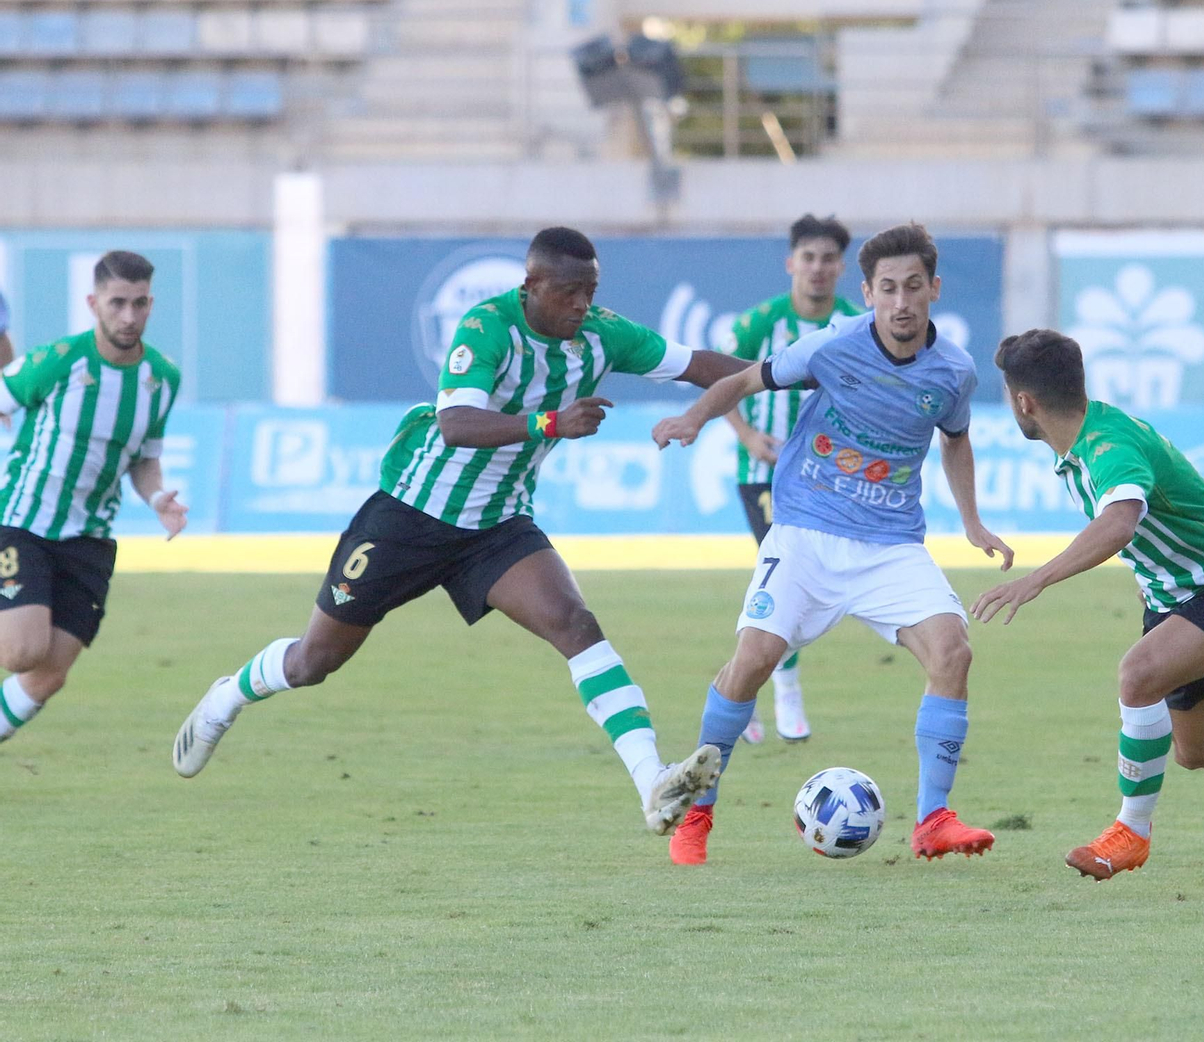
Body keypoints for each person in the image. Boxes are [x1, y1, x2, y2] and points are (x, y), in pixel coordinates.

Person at [172, 227, 751, 837]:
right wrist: (551, 420)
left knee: (575, 625)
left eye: (590, 291)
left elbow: (701, 365)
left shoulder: (605, 335)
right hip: (410, 517)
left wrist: (791, 372)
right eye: (568, 292)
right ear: (531, 286)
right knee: (314, 661)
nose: (581, 305)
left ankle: (651, 782)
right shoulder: (487, 327)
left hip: (496, 526)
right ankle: (226, 697)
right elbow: (455, 424)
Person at [652, 223, 1014, 866]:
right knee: (752, 662)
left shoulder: (954, 370)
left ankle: (933, 819)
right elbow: (742, 381)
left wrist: (972, 521)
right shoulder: (832, 346)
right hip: (806, 533)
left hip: (890, 544)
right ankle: (697, 815)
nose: (901, 302)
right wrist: (693, 418)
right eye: (886, 289)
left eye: (912, 287)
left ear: (934, 288)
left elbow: (956, 439)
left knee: (952, 651)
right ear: (868, 293)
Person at [972, 329, 1204, 881]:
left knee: (1137, 675)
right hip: (1173, 599)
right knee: (1198, 750)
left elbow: (1119, 523)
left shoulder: (1108, 447)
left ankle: (1131, 833)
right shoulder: (1088, 437)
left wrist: (1036, 581)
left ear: (1024, 402)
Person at [0, 251, 187, 746]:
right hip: (23, 522)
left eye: (140, 303)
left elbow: (144, 459)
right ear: (93, 302)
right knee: (22, 652)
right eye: (118, 303)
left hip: (91, 541)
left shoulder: (162, 378)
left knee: (47, 676)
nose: (129, 316)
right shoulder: (59, 360)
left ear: (152, 303)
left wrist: (157, 499)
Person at [722, 214, 863, 745]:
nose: (818, 268)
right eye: (809, 258)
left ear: (841, 268)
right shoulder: (761, 322)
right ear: (791, 264)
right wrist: (747, 436)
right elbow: (721, 383)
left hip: (825, 480)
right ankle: (783, 690)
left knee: (797, 586)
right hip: (763, 475)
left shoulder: (855, 321)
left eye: (828, 259)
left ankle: (750, 687)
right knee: (783, 580)